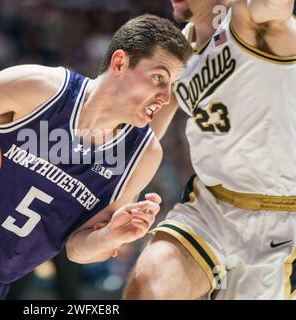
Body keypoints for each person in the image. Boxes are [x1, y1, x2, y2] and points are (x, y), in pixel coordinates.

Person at [0, 14, 192, 300]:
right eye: (158, 78)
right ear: (119, 62)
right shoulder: (42, 89)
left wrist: (111, 236)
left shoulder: (143, 155)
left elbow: (78, 249)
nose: (165, 97)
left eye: (172, 86)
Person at [124, 0, 296, 300]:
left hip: (282, 218)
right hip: (210, 208)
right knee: (148, 288)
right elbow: (143, 141)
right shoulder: (178, 51)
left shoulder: (254, 18)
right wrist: (115, 208)